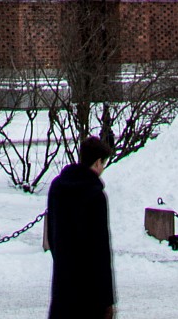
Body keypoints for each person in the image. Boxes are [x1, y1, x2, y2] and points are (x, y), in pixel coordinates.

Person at [46, 136, 114, 319]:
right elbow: (100, 250)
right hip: (89, 292)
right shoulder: (95, 195)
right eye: (104, 163)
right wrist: (107, 300)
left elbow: (51, 234)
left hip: (63, 286)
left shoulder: (57, 187)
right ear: (98, 162)